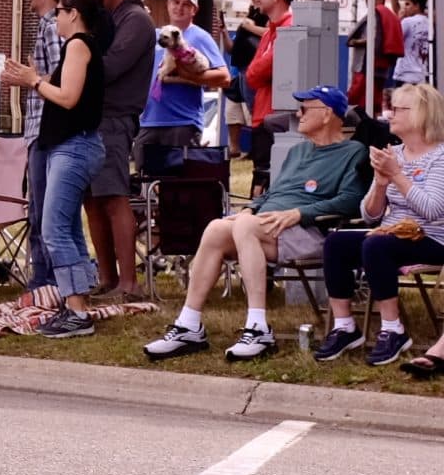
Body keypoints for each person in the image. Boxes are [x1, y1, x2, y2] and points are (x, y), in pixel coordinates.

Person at [143, 86, 372, 362]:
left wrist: (300, 213)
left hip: (310, 231)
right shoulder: (298, 152)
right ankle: (189, 325)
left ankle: (259, 328)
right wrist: (251, 208)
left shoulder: (353, 151)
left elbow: (351, 200)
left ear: (326, 114)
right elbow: (275, 193)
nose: (297, 114)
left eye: (304, 109)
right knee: (217, 227)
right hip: (269, 226)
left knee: (245, 226)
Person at [5, 0, 113, 338]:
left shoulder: (79, 45)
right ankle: (76, 303)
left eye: (61, 12)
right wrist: (31, 77)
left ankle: (77, 312)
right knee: (67, 228)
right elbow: (61, 88)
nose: (56, 19)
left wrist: (34, 81)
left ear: (75, 14)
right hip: (68, 146)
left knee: (52, 228)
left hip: (75, 146)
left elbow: (68, 98)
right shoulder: (77, 48)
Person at [315, 81, 444, 367]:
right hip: (389, 232)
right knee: (337, 242)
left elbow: (433, 210)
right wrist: (382, 185)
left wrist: (397, 176)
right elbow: (371, 215)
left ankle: (392, 329)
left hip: (432, 238)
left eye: (399, 108)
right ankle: (345, 326)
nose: (390, 114)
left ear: (422, 114)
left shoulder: (440, 157)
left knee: (377, 244)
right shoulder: (393, 153)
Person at [81, 0, 158, 298]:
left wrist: (79, 55)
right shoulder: (112, 19)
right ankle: (107, 277)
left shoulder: (136, 20)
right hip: (94, 117)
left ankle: (129, 282)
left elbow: (111, 65)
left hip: (114, 117)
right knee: (93, 201)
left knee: (113, 196)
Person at [21, 0, 70, 291]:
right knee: (38, 206)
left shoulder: (52, 26)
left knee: (42, 208)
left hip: (45, 131)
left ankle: (45, 281)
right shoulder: (47, 26)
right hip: (39, 130)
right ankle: (43, 278)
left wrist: (30, 78)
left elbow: (61, 75)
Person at [142, 0, 231, 163]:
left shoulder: (199, 36)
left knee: (177, 185)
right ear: (168, 4)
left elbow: (225, 78)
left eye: (186, 4)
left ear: (194, 10)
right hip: (148, 120)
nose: (179, 8)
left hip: (181, 123)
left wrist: (185, 76)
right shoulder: (156, 35)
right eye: (176, 2)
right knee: (144, 182)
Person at [242, 0, 297, 171]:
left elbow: (255, 73)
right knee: (260, 177)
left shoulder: (289, 29)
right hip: (265, 115)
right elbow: (254, 73)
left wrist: (255, 72)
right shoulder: (271, 31)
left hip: (274, 118)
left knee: (265, 179)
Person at [399, 0, 433, 93]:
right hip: (422, 72)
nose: (405, 8)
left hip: (406, 72)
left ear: (417, 6)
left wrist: (399, 18)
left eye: (408, 4)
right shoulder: (429, 22)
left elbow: (395, 37)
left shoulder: (407, 22)